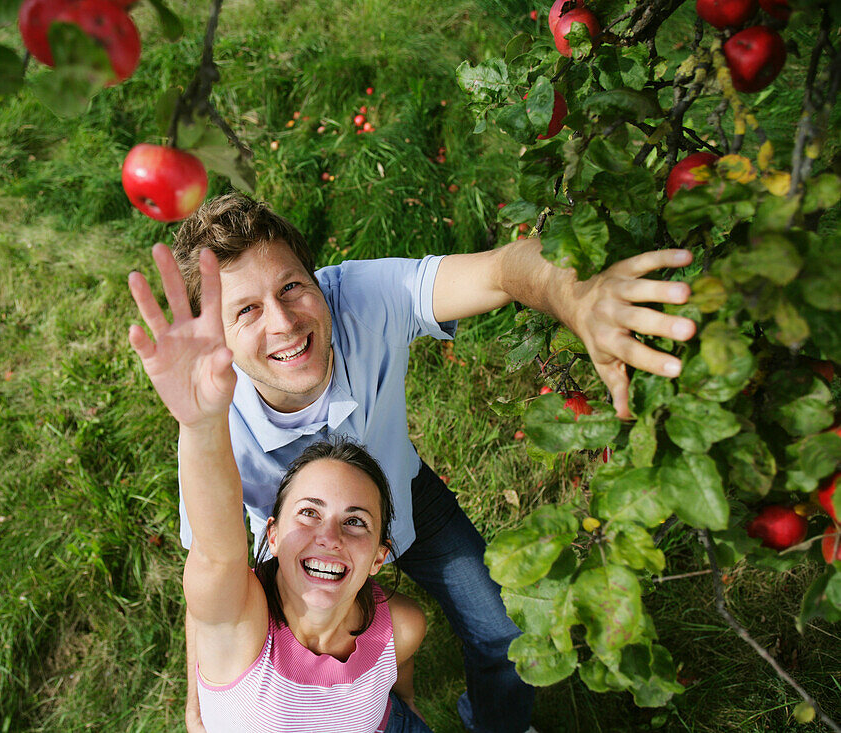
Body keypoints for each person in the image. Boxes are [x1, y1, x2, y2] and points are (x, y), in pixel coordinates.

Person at [137, 193, 697, 733]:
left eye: (291, 287)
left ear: (318, 281)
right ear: (222, 340)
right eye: (247, 311)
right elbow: (212, 570)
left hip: (405, 495)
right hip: (302, 547)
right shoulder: (212, 424)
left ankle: (495, 723)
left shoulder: (360, 295)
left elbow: (501, 270)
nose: (282, 322)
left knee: (503, 627)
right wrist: (204, 695)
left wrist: (573, 294)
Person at [128, 247, 433, 732]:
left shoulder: (402, 628)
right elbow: (215, 555)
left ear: (379, 556)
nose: (328, 535)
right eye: (308, 512)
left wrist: (407, 706)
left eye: (356, 520)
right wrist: (203, 425)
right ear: (269, 536)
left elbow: (397, 678)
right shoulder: (243, 635)